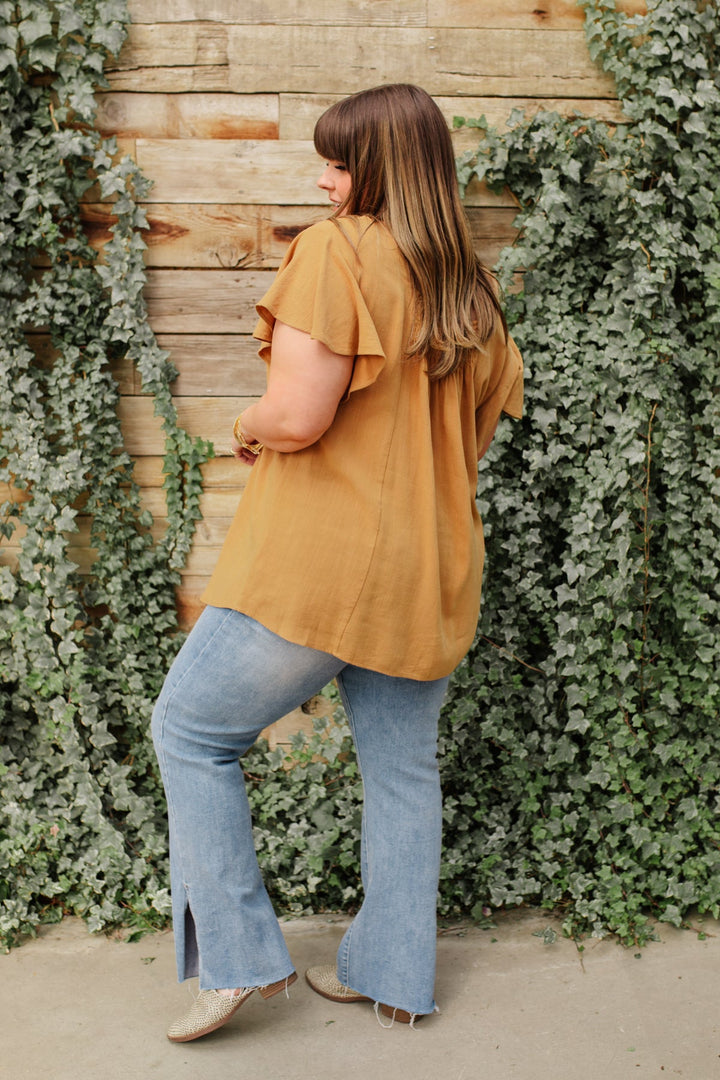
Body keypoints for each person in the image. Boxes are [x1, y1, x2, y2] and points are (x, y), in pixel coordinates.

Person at [151, 83, 523, 1043]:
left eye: (339, 162)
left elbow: (296, 415)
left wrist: (243, 422)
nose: (324, 180)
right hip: (427, 569)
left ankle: (238, 960)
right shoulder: (473, 292)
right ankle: (391, 976)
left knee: (189, 731)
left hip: (320, 566)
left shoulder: (336, 253)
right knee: (402, 772)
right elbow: (469, 443)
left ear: (382, 168)